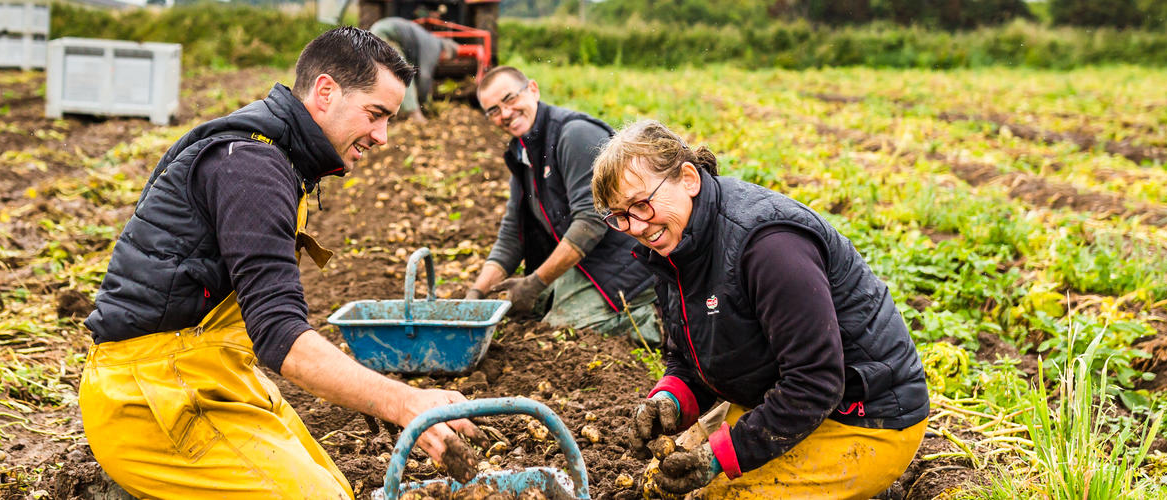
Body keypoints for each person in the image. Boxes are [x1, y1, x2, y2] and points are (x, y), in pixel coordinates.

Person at [78, 27, 480, 499]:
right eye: (376, 115)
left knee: (336, 490)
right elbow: (280, 335)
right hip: (150, 395)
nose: (383, 136)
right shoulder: (252, 165)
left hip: (210, 373)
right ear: (326, 91)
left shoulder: (277, 155)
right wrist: (404, 401)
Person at [589, 120, 930, 499]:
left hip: (864, 417)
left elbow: (816, 381)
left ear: (688, 178)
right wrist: (669, 399)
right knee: (662, 483)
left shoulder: (768, 245)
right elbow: (692, 355)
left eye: (641, 203)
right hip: (781, 402)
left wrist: (720, 457)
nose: (636, 225)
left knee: (711, 497)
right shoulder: (675, 245)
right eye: (620, 215)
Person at [464, 66, 660, 342]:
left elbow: (591, 222)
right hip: (590, 261)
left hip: (633, 261)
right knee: (527, 310)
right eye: (493, 111)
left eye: (509, 99)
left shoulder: (574, 134)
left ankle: (653, 317)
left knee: (562, 330)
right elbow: (512, 235)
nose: (505, 114)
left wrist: (536, 281)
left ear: (533, 89)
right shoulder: (523, 152)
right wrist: (475, 295)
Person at [367, 17, 457, 123]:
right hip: (385, 33)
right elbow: (425, 76)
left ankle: (389, 109)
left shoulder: (430, 41)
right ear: (446, 52)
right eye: (445, 59)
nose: (442, 61)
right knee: (404, 73)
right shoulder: (434, 47)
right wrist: (424, 102)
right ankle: (414, 114)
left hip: (380, 29)